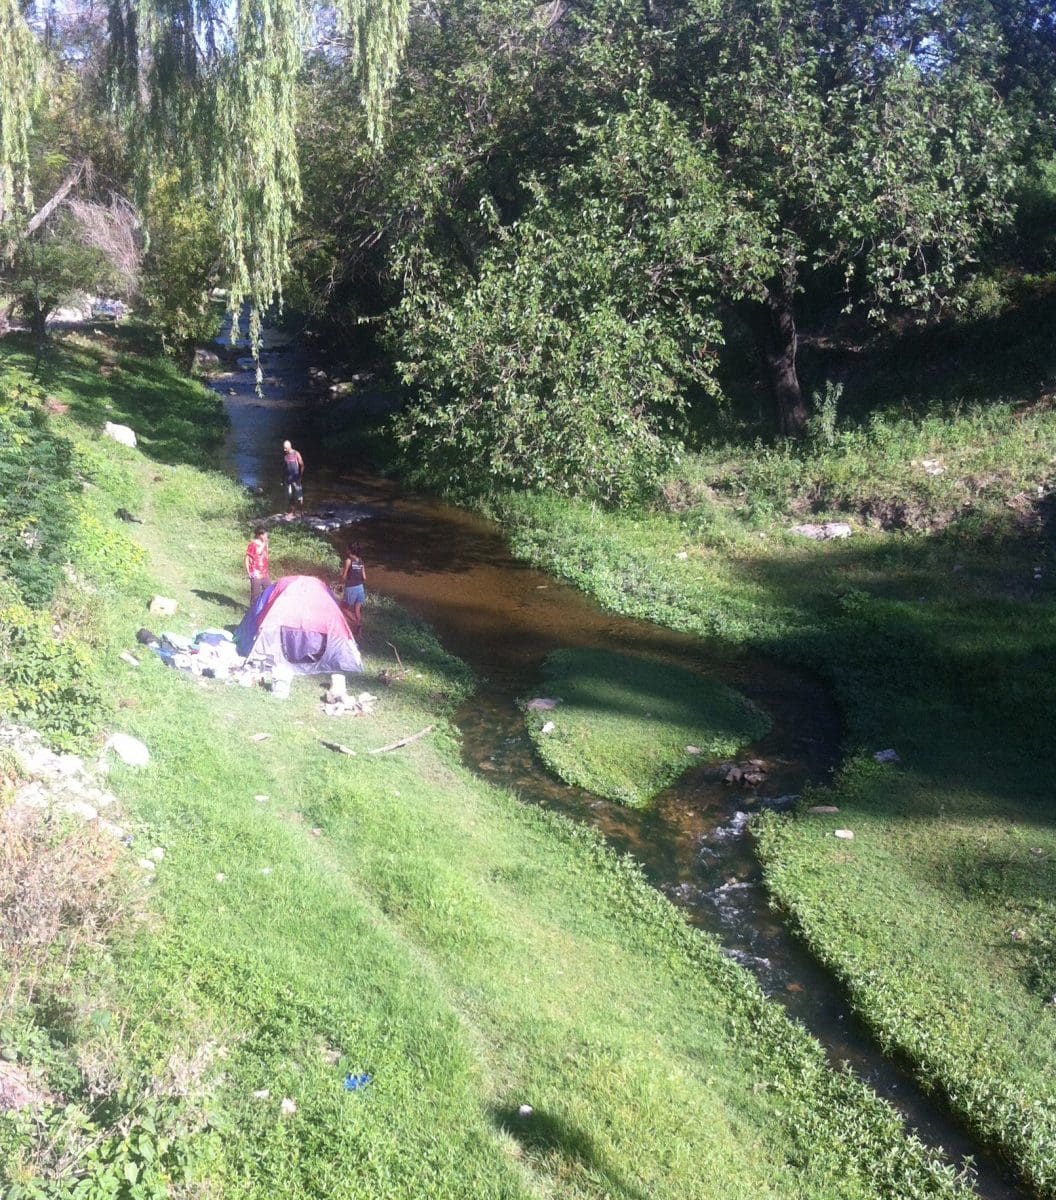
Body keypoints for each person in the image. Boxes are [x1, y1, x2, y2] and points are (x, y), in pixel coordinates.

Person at [339, 543, 367, 638]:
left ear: (350, 550)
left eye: (347, 548)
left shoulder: (348, 561)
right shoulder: (361, 561)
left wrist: (340, 584)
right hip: (360, 588)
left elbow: (344, 576)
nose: (346, 550)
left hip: (351, 588)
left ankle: (357, 624)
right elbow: (364, 577)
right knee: (357, 610)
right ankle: (359, 633)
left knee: (343, 608)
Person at [245, 526, 270, 605]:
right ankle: (253, 613)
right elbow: (247, 558)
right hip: (255, 572)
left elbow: (266, 555)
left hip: (264, 572)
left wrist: (265, 544)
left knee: (269, 590)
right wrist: (249, 572)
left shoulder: (265, 543)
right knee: (255, 594)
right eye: (265, 534)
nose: (266, 536)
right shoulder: (253, 544)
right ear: (260, 535)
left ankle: (264, 609)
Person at [282, 439, 305, 516]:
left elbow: (302, 465)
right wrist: (283, 480)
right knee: (290, 496)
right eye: (284, 448)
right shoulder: (285, 456)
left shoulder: (296, 453)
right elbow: (285, 469)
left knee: (299, 496)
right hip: (288, 480)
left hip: (297, 479)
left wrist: (300, 476)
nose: (284, 449)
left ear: (289, 447)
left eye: (285, 448)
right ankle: (292, 512)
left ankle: (302, 512)